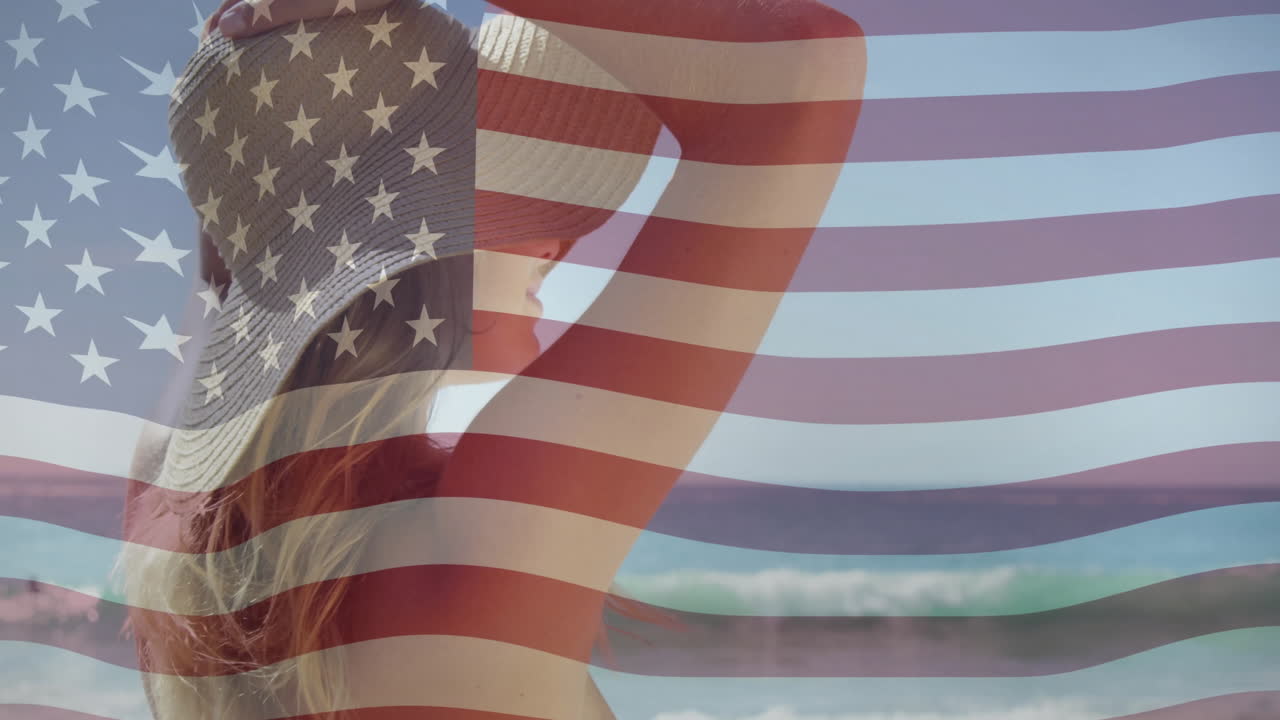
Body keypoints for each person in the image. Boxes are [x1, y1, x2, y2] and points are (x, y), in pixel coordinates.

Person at [119, 1, 864, 718]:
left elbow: (234, 264)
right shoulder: (483, 542)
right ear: (389, 253)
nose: (558, 244)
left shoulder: (169, 512)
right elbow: (798, 65)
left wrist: (248, 113)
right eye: (506, 199)